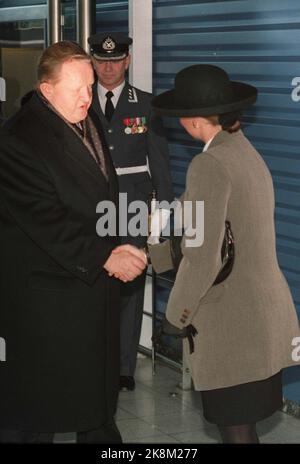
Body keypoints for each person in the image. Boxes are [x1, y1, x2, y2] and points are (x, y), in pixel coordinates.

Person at [132, 64, 300, 443]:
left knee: (236, 430)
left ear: (192, 121)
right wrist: (149, 256)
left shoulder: (208, 163)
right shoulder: (243, 151)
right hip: (263, 314)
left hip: (233, 324)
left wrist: (175, 315)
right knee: (244, 426)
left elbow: (205, 255)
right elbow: (206, 228)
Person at [0, 40, 146, 444]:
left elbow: (101, 192)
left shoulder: (83, 116)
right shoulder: (17, 139)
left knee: (94, 403)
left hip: (89, 291)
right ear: (47, 90)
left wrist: (122, 242)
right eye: (77, 88)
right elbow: (45, 219)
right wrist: (105, 256)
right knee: (33, 410)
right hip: (49, 300)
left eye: (89, 85)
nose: (88, 96)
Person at [88, 32, 174, 391]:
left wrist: (163, 224)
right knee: (92, 280)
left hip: (134, 207)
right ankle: (92, 360)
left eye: (115, 60)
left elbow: (162, 167)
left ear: (126, 62)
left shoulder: (148, 105)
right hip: (90, 205)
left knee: (130, 286)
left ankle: (123, 367)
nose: (108, 68)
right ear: (93, 62)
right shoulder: (79, 100)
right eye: (101, 61)